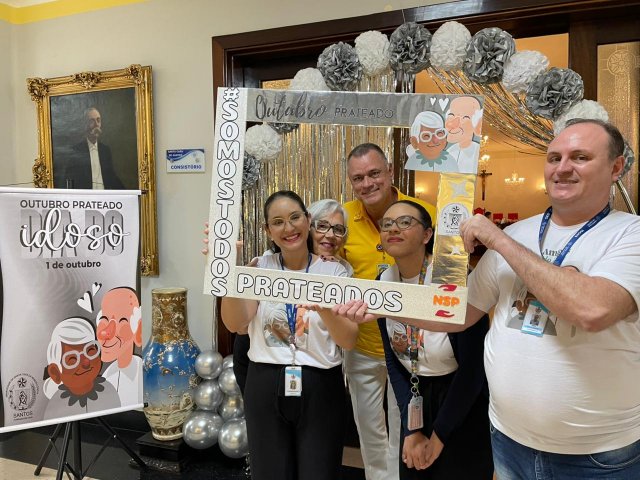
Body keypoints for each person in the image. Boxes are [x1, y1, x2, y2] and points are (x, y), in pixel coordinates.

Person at [340, 119, 640, 478]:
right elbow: (456, 313)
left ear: (616, 167)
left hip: (596, 454)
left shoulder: (629, 234)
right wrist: (378, 303)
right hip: (509, 442)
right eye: (554, 157)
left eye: (580, 157)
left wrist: (498, 240)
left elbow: (593, 310)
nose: (562, 168)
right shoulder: (520, 232)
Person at [220, 190, 358, 480]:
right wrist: (230, 272)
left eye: (295, 217)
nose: (289, 228)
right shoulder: (259, 268)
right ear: (267, 230)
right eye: (278, 222)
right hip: (265, 381)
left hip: (321, 384)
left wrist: (324, 308)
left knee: (319, 472)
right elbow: (236, 323)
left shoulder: (336, 272)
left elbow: (348, 340)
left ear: (308, 220)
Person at [375, 200, 492, 479]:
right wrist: (411, 429)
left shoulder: (455, 281)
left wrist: (439, 436)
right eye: (387, 224)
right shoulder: (382, 282)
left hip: (461, 402)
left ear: (427, 235)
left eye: (405, 222)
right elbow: (393, 359)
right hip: (415, 396)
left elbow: (473, 370)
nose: (394, 229)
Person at [341, 143, 436, 480]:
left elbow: (444, 274)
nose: (367, 183)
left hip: (410, 347)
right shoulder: (342, 218)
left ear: (391, 171)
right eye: (358, 178)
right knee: (369, 432)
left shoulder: (423, 212)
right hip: (362, 347)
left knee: (405, 429)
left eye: (374, 173)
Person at [43, 317, 120, 420]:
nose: (86, 362)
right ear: (55, 373)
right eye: (72, 359)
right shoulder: (55, 406)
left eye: (90, 350)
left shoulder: (109, 390)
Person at [54, 107, 124, 189]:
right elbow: (69, 182)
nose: (96, 124)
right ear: (85, 125)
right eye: (92, 121)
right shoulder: (76, 151)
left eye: (98, 120)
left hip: (105, 195)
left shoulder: (105, 150)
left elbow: (112, 177)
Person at [96, 287, 143, 406]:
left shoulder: (143, 375)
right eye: (104, 319)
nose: (105, 332)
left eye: (122, 321)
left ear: (137, 329)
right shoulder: (107, 376)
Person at [444, 96, 483, 174]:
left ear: (475, 123)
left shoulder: (478, 152)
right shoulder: (450, 151)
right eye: (451, 115)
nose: (451, 124)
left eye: (464, 117)